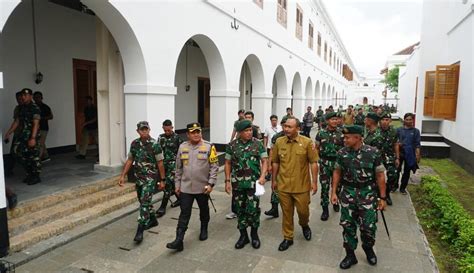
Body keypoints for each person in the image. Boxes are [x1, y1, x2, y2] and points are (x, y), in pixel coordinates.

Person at [330, 125, 387, 269]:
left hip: (367, 194)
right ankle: (350, 255)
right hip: (347, 193)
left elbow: (380, 175)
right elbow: (337, 171)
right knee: (347, 226)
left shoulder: (373, 153)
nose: (345, 139)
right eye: (344, 137)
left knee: (368, 227)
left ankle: (368, 249)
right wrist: (334, 192)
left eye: (348, 137)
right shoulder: (342, 152)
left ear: (358, 138)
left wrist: (382, 197)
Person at [166, 122, 219, 251]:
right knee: (184, 213)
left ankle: (204, 228)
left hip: (202, 187)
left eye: (198, 132)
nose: (196, 134)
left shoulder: (209, 147)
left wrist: (210, 184)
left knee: (204, 209)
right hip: (185, 187)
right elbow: (178, 168)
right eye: (193, 132)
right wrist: (177, 185)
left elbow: (214, 167)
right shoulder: (182, 147)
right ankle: (179, 240)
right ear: (188, 134)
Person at [272, 117, 318, 251]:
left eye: (289, 127)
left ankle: (304, 225)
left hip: (302, 186)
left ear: (298, 128)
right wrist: (274, 180)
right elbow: (275, 162)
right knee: (287, 213)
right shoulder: (279, 142)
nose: (286, 129)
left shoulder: (307, 142)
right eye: (285, 126)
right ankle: (288, 237)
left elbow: (313, 163)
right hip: (284, 185)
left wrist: (315, 182)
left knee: (303, 212)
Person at [118, 121, 165, 243]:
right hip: (138, 178)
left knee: (144, 203)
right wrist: (123, 175)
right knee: (143, 200)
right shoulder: (134, 144)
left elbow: (160, 163)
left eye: (146, 129)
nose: (144, 131)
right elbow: (130, 160)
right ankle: (153, 219)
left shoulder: (155, 144)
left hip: (150, 178)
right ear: (138, 131)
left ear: (149, 130)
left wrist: (162, 179)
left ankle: (140, 230)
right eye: (142, 129)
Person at [225, 120, 268, 249]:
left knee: (253, 210)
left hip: (254, 184)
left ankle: (254, 235)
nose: (249, 133)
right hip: (237, 184)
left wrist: (262, 176)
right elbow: (227, 163)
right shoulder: (231, 146)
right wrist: (227, 181)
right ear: (239, 132)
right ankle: (243, 236)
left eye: (250, 130)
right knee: (240, 209)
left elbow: (265, 161)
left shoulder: (258, 144)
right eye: (246, 131)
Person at [4, 88, 42, 185]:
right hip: (22, 135)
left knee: (33, 156)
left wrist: (33, 138)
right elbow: (17, 121)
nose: (23, 97)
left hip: (32, 136)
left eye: (25, 95)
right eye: (22, 95)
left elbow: (36, 123)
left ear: (30, 96)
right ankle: (29, 173)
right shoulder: (21, 107)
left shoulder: (34, 108)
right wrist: (9, 132)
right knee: (17, 152)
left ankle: (35, 176)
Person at [315, 112, 344, 221]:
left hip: (337, 164)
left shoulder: (341, 133)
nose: (335, 121)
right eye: (332, 119)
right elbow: (316, 148)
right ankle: (325, 209)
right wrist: (318, 160)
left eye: (336, 119)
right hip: (325, 163)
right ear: (327, 121)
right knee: (325, 186)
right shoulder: (321, 133)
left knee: (337, 186)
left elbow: (345, 148)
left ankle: (335, 200)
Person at [156, 119, 184, 217]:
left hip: (174, 165)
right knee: (172, 184)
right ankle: (181, 200)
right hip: (164, 164)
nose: (167, 132)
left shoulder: (177, 137)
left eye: (169, 130)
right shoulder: (161, 137)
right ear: (163, 128)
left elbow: (181, 152)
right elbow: (158, 151)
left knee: (167, 185)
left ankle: (162, 207)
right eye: (165, 130)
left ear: (172, 128)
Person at [263, 116, 288, 218]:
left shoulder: (299, 138)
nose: (286, 128)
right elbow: (272, 152)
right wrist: (269, 164)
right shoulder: (277, 137)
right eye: (284, 125)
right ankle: (274, 208)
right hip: (278, 166)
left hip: (290, 168)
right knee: (275, 186)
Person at [396, 113, 421, 195]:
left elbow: (417, 144)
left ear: (413, 120)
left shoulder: (416, 131)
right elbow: (395, 141)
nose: (408, 121)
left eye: (410, 119)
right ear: (404, 120)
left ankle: (403, 188)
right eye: (407, 119)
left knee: (407, 171)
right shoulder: (399, 130)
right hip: (399, 153)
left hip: (410, 154)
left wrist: (417, 155)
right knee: (397, 169)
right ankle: (394, 186)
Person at [378, 113, 400, 205]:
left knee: (393, 176)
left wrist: (397, 157)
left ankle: (386, 193)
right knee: (376, 177)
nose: (385, 122)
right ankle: (378, 195)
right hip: (377, 157)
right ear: (380, 121)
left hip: (389, 157)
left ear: (390, 121)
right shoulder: (375, 131)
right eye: (383, 119)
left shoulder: (394, 131)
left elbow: (396, 144)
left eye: (387, 120)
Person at [4, 91, 23, 177]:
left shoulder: (32, 108)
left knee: (30, 154)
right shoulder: (17, 108)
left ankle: (32, 173)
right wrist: (9, 133)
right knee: (13, 152)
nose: (19, 100)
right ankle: (8, 170)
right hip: (18, 133)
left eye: (20, 98)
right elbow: (16, 121)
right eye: (17, 99)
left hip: (28, 135)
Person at [33, 91, 53, 162]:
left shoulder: (45, 107)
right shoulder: (32, 106)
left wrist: (42, 118)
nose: (36, 99)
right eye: (35, 97)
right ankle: (46, 156)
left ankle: (38, 159)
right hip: (35, 128)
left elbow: (51, 116)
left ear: (41, 98)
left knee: (40, 144)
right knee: (40, 142)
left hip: (43, 128)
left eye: (38, 97)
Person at [263, 115, 281, 180]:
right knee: (269, 161)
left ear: (277, 120)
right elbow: (265, 137)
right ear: (270, 121)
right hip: (269, 147)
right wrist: (264, 146)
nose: (274, 122)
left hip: (278, 147)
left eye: (275, 120)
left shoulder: (280, 128)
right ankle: (269, 173)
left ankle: (276, 173)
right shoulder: (267, 128)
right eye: (273, 120)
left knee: (276, 161)